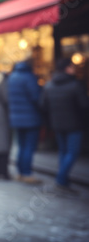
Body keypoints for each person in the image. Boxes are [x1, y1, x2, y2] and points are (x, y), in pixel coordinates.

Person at [40, 58, 89, 194]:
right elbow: (84, 105)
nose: (74, 69)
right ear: (67, 68)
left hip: (57, 124)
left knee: (63, 151)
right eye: (72, 66)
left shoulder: (49, 85)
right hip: (74, 124)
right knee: (72, 152)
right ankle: (61, 180)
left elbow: (43, 105)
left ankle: (64, 181)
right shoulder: (75, 85)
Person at [7, 58, 43, 184]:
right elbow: (36, 97)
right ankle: (27, 173)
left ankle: (21, 172)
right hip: (30, 117)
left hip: (15, 118)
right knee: (29, 146)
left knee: (21, 145)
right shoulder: (29, 77)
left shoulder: (12, 77)